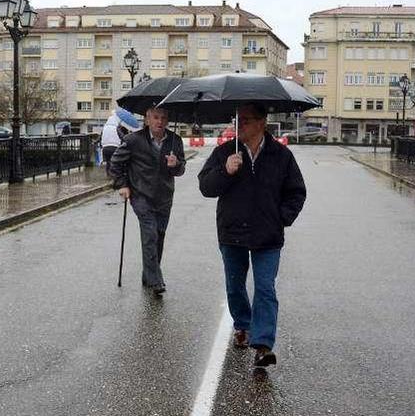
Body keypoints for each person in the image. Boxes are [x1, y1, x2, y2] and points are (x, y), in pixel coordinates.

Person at [198, 103, 307, 368]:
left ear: (262, 122)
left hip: (267, 235)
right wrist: (226, 171)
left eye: (245, 120)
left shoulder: (281, 156)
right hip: (232, 232)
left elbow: (296, 191)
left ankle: (263, 344)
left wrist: (282, 218)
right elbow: (205, 187)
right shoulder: (225, 151)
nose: (239, 124)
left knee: (266, 289)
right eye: (237, 119)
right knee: (235, 285)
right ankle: (243, 325)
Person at [109, 107, 185, 295]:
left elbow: (181, 169)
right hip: (141, 195)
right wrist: (122, 185)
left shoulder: (176, 140)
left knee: (159, 236)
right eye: (156, 117)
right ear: (147, 119)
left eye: (164, 118)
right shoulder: (133, 140)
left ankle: (149, 274)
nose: (160, 121)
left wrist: (176, 165)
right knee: (150, 234)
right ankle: (155, 281)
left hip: (164, 196)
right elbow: (116, 164)